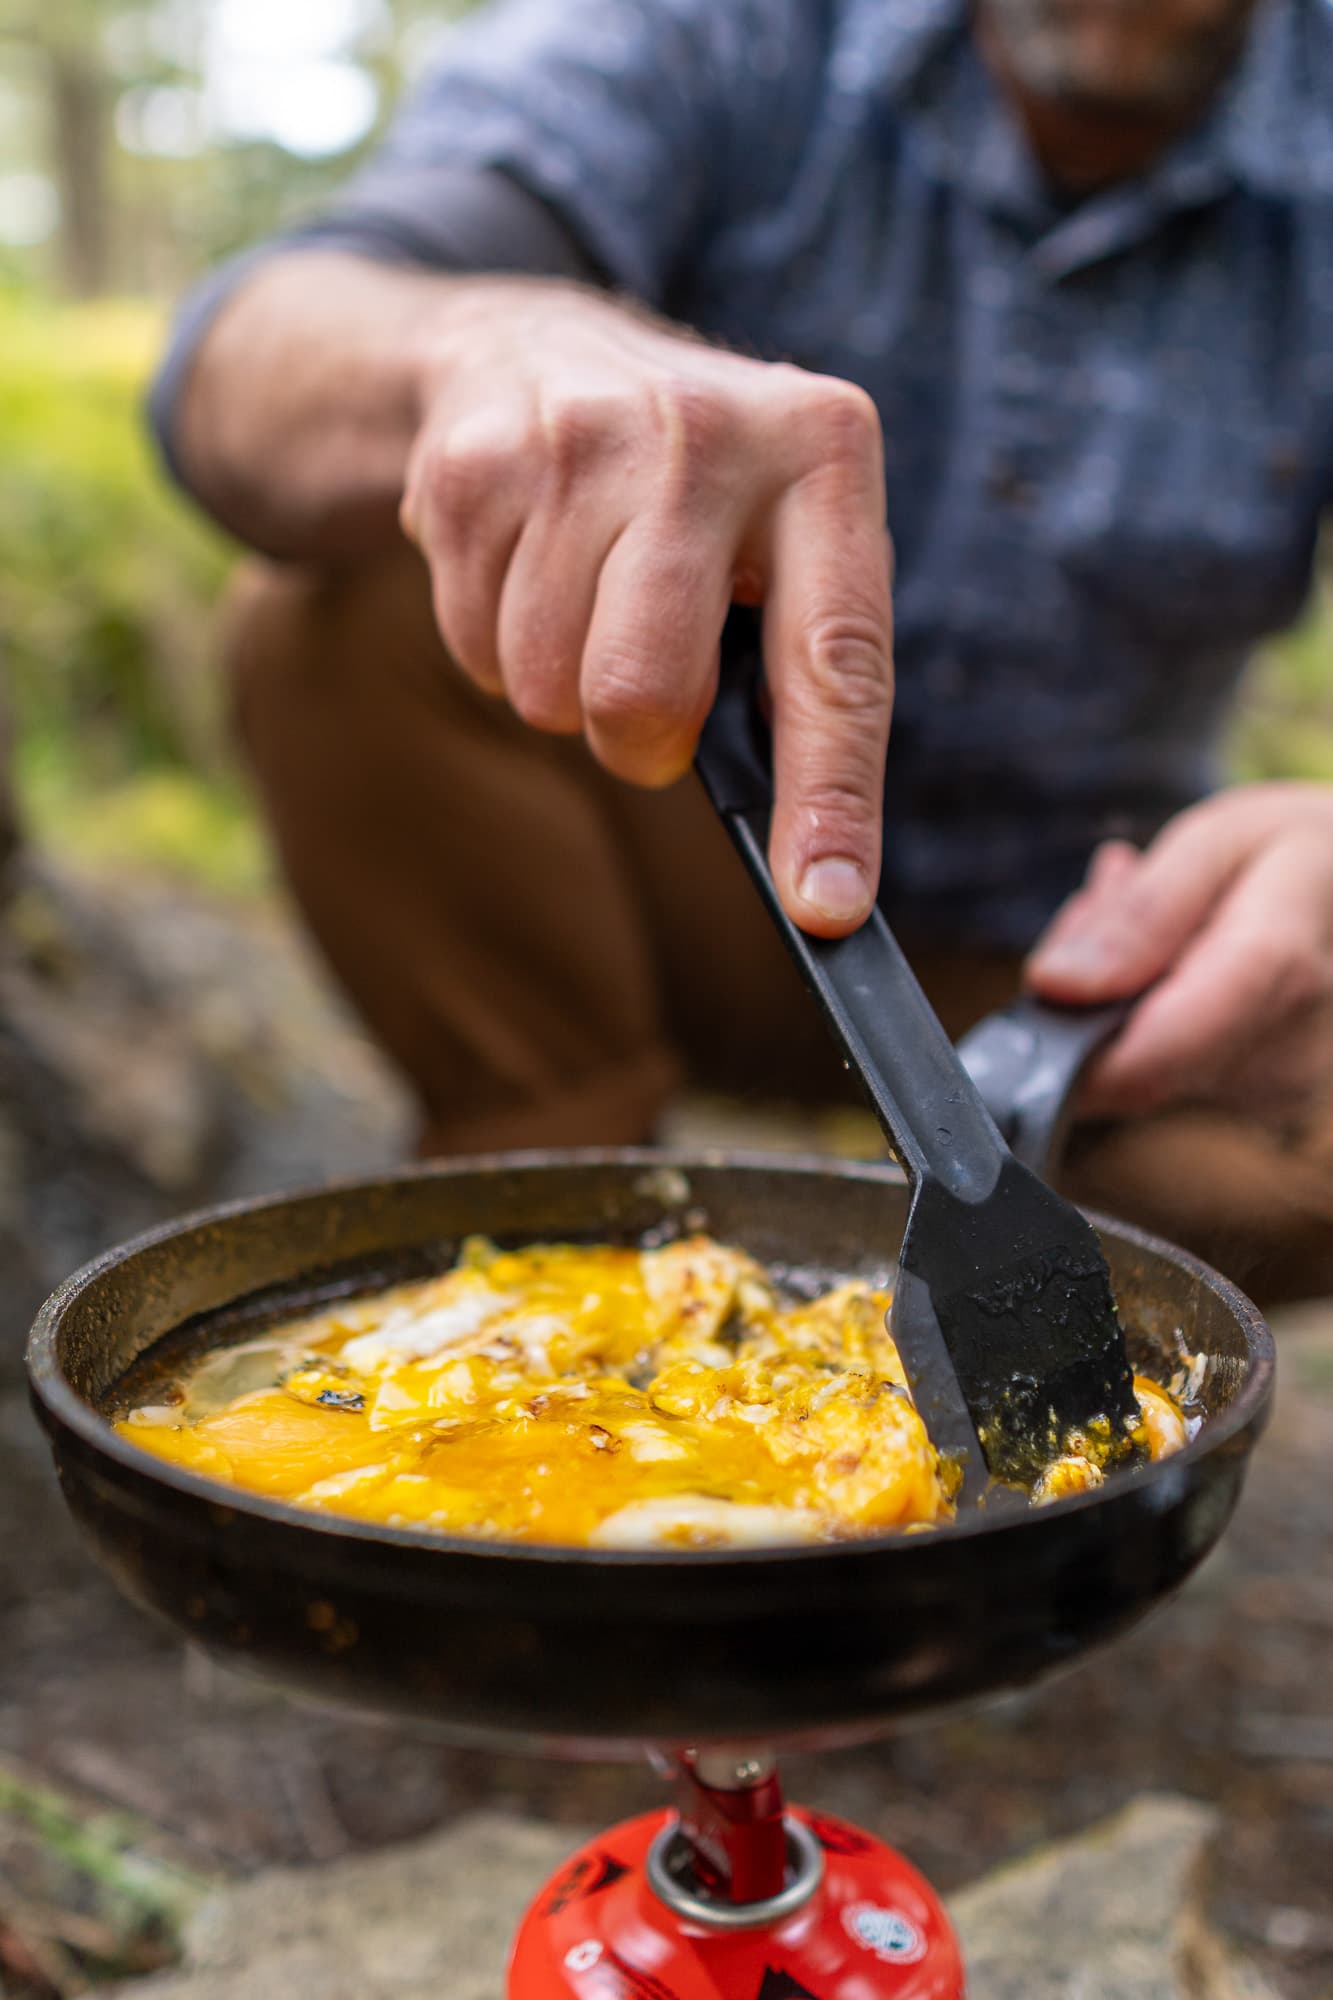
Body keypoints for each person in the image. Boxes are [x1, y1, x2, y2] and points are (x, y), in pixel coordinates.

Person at [151, 0, 1333, 1302]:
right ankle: (549, 1254)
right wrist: (485, 350)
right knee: (345, 598)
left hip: (1104, 990)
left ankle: (1062, 1338)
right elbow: (244, 354)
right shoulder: (712, 33)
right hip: (685, 879)